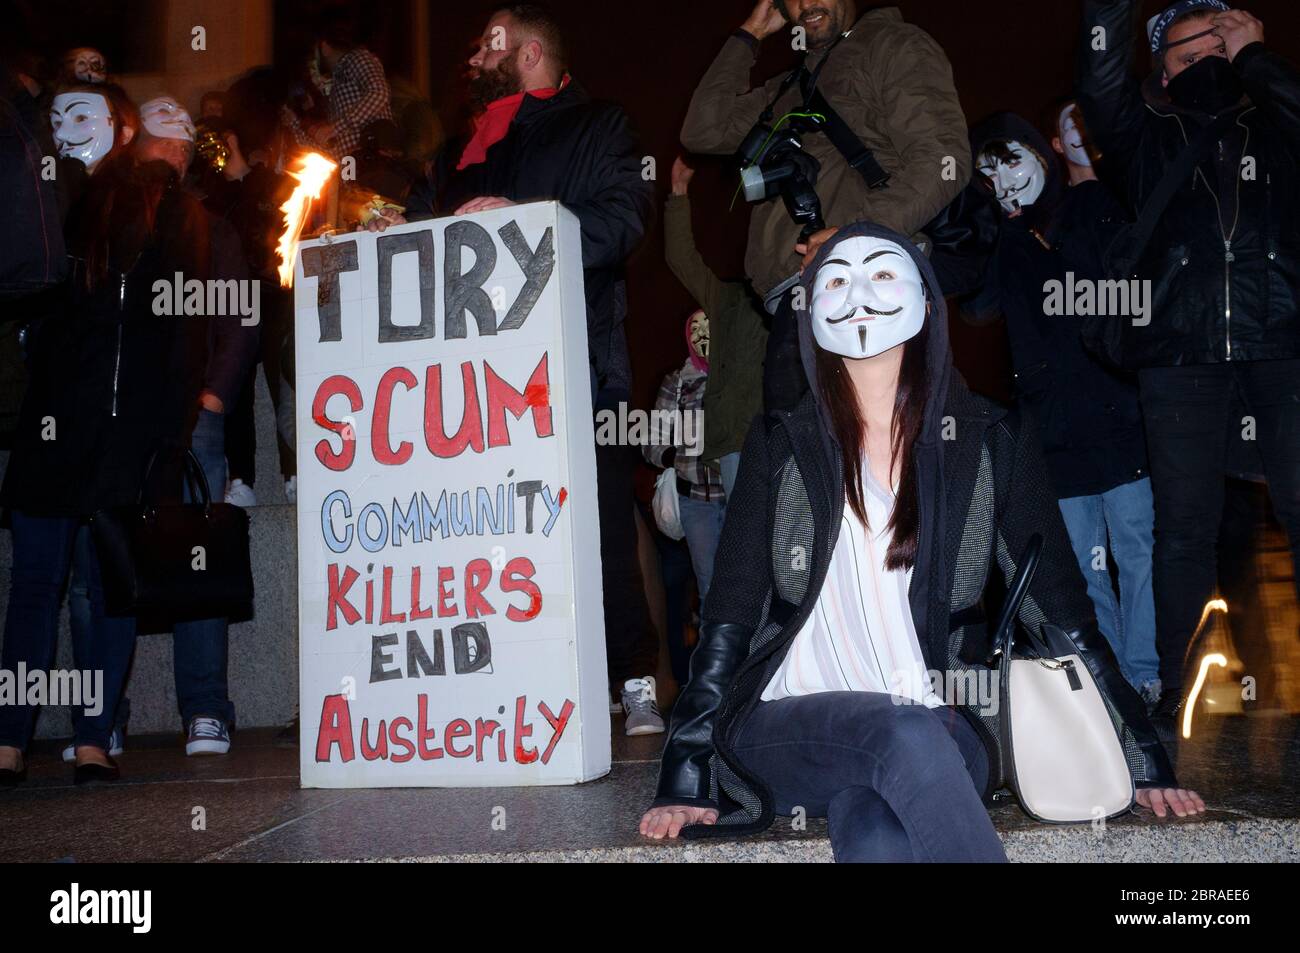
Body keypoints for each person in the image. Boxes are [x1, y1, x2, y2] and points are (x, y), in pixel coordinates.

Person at [640, 223, 1204, 859]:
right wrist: (685, 772)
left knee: (874, 824)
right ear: (810, 310)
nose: (858, 292)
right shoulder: (781, 443)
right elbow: (729, 619)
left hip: (942, 719)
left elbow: (1064, 612)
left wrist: (1145, 755)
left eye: (882, 273)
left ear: (926, 301)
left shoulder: (990, 437)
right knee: (897, 733)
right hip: (789, 723)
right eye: (834, 278)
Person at [368, 3, 659, 734]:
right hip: (472, 385)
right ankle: (515, 677)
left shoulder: (600, 125)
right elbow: (422, 231)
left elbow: (623, 218)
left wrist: (528, 220)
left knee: (597, 527)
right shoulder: (456, 151)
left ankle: (632, 676)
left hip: (578, 364)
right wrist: (391, 234)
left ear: (530, 53)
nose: (472, 57)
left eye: (488, 43)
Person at [1077, 0, 1300, 722]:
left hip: (1283, 337)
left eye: (1220, 39)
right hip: (1178, 348)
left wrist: (1257, 60)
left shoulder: (1273, 117)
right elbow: (1101, 81)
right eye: (1186, 48)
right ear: (1162, 69)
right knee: (1183, 525)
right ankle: (1181, 700)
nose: (1206, 53)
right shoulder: (1145, 134)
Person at [680, 0, 970, 413]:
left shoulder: (891, 45)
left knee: (874, 452)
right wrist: (750, 33)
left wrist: (856, 235)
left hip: (862, 287)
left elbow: (944, 162)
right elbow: (702, 131)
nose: (806, 4)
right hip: (795, 302)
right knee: (801, 461)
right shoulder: (790, 86)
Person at [965, 111, 1160, 705]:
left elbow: (1124, 288)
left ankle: (1146, 671)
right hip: (1054, 429)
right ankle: (1112, 680)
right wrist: (991, 228)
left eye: (1013, 161)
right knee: (1083, 563)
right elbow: (977, 307)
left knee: (1137, 549)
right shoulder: (1007, 240)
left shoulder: (1090, 208)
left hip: (1118, 415)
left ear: (1040, 157)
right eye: (988, 171)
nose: (1005, 179)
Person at [129, 96, 257, 756]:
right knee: (107, 559)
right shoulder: (113, 219)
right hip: (121, 416)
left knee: (199, 558)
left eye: (184, 145)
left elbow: (241, 314)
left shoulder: (212, 226)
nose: (176, 154)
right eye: (162, 143)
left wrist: (214, 396)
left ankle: (205, 708)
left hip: (191, 418)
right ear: (136, 146)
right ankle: (102, 716)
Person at [665, 157, 768, 499]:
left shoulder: (803, 289)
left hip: (785, 440)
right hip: (735, 444)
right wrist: (679, 191)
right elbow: (682, 258)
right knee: (746, 548)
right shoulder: (729, 298)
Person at [643, 310, 727, 608]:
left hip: (738, 494)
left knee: (748, 584)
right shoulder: (677, 383)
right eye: (696, 331)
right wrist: (680, 458)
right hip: (696, 503)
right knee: (710, 590)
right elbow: (651, 440)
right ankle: (718, 655)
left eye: (709, 329)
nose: (703, 337)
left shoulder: (738, 378)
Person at [284, 9, 393, 161]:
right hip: (351, 170)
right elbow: (330, 152)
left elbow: (379, 93)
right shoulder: (336, 87)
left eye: (314, 51)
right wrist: (295, 124)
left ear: (324, 47)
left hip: (374, 164)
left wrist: (335, 127)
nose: (313, 60)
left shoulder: (357, 58)